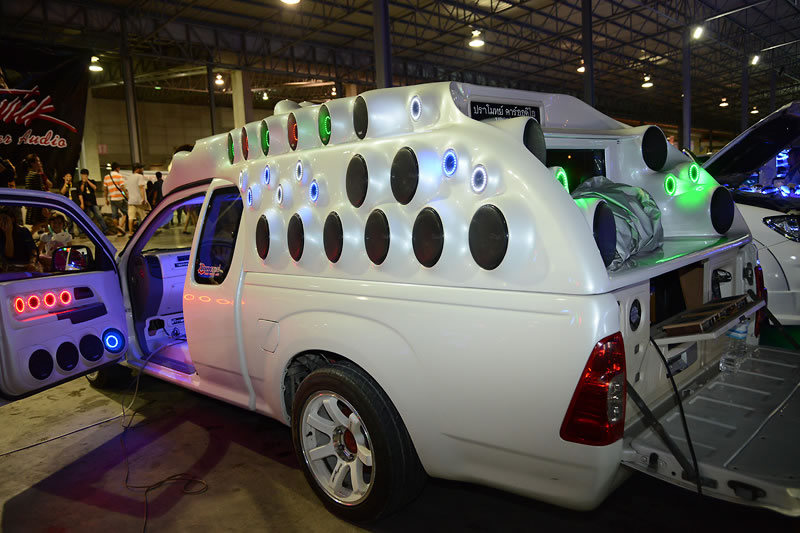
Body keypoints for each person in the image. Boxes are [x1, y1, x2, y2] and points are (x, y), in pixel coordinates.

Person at [0, 206, 39, 272]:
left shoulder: (23, 231)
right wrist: (8, 234)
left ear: (12, 219)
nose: (1, 222)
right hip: (9, 268)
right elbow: (9, 255)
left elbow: (33, 249)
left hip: (27, 265)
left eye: (5, 219)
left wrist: (32, 262)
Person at [22, 154, 49, 234]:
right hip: (38, 205)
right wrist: (44, 207)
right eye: (38, 161)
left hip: (34, 204)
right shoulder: (36, 175)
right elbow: (40, 192)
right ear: (32, 163)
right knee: (40, 225)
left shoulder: (28, 175)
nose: (40, 163)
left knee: (40, 225)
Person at [78, 169, 109, 233]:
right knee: (88, 218)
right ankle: (89, 232)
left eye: (86, 175)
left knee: (99, 216)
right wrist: (83, 183)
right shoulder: (79, 183)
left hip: (93, 202)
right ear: (81, 175)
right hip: (85, 203)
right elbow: (80, 191)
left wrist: (87, 181)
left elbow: (95, 188)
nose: (84, 176)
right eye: (83, 175)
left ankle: (105, 229)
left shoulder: (92, 181)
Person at [103, 162, 128, 236]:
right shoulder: (119, 176)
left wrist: (106, 199)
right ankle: (120, 228)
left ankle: (118, 231)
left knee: (114, 215)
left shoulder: (106, 177)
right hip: (120, 198)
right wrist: (126, 195)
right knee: (125, 213)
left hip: (112, 198)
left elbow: (105, 190)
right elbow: (122, 187)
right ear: (117, 168)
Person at [127, 162, 150, 233]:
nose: (142, 169)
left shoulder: (129, 177)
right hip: (139, 201)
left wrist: (128, 198)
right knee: (144, 217)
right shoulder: (140, 176)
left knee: (131, 218)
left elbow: (127, 190)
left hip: (131, 201)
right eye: (141, 168)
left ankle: (130, 232)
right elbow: (141, 188)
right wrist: (143, 199)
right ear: (137, 169)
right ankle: (145, 232)